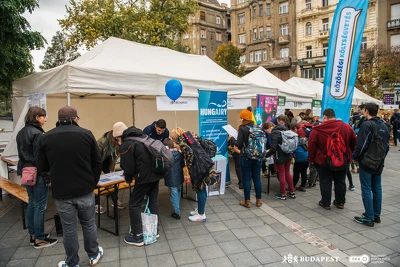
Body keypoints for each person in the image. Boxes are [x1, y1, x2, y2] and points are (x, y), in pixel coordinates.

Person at [36, 106, 103, 267]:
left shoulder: (45, 138)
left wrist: (50, 181)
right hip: (85, 189)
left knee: (69, 229)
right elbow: (97, 161)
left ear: (59, 120)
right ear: (75, 119)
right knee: (88, 224)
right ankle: (93, 255)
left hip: (62, 191)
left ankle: (72, 262)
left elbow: (41, 165)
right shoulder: (86, 134)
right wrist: (93, 181)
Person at [112, 122, 163, 246]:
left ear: (119, 136)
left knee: (134, 204)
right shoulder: (142, 136)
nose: (118, 142)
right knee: (153, 201)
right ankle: (154, 230)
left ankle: (137, 235)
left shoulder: (127, 144)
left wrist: (128, 178)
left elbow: (127, 167)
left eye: (117, 139)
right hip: (156, 174)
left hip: (144, 177)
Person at [16, 107, 57, 249]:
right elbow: (40, 158)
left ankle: (33, 234)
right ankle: (39, 238)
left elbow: (21, 156)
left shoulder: (21, 133)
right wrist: (48, 177)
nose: (45, 119)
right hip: (38, 173)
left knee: (32, 203)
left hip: (26, 172)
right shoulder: (38, 134)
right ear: (37, 117)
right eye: (43, 116)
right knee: (40, 205)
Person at [308, 108, 356, 210]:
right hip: (342, 159)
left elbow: (311, 146)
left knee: (325, 181)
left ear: (325, 117)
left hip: (323, 160)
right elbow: (354, 143)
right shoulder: (347, 128)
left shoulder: (317, 130)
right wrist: (348, 155)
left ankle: (325, 203)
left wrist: (311, 159)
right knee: (340, 181)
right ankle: (340, 202)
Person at [353, 103, 390, 227]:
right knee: (377, 188)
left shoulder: (367, 125)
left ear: (367, 111)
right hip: (379, 161)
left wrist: (355, 157)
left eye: (363, 110)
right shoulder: (384, 126)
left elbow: (361, 145)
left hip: (367, 162)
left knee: (366, 188)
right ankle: (376, 214)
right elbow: (387, 146)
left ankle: (369, 217)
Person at [170, 127, 210, 221]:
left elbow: (190, 154)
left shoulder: (182, 143)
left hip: (199, 168)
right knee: (202, 189)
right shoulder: (190, 136)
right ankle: (200, 210)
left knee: (200, 189)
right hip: (204, 164)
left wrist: (189, 165)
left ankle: (201, 215)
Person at [235, 109, 263, 208]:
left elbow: (238, 144)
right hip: (257, 157)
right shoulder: (258, 128)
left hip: (246, 156)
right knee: (257, 179)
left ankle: (247, 201)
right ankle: (259, 201)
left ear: (243, 118)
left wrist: (232, 138)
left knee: (246, 179)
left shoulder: (243, 129)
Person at [265, 115, 295, 200]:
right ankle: (292, 192)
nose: (268, 133)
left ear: (269, 128)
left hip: (280, 155)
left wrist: (266, 154)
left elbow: (274, 147)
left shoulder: (274, 132)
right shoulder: (286, 129)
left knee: (282, 173)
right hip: (288, 154)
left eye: (267, 131)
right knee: (287, 173)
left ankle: (282, 194)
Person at [96, 129, 124, 213]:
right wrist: (97, 171)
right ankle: (96, 204)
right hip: (98, 160)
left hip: (106, 159)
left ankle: (114, 199)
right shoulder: (102, 142)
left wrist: (112, 169)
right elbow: (95, 158)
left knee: (113, 179)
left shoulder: (119, 142)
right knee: (96, 181)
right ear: (115, 138)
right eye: (119, 140)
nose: (120, 143)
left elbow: (115, 157)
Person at [163, 138, 184, 220]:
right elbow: (182, 164)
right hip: (179, 176)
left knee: (173, 196)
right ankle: (177, 207)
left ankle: (177, 212)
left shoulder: (166, 156)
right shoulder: (179, 153)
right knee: (178, 192)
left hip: (171, 178)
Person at [291, 123, 308, 192]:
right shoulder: (303, 138)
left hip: (299, 158)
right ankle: (302, 186)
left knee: (296, 173)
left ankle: (292, 187)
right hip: (306, 157)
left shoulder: (295, 138)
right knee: (304, 172)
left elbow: (293, 148)